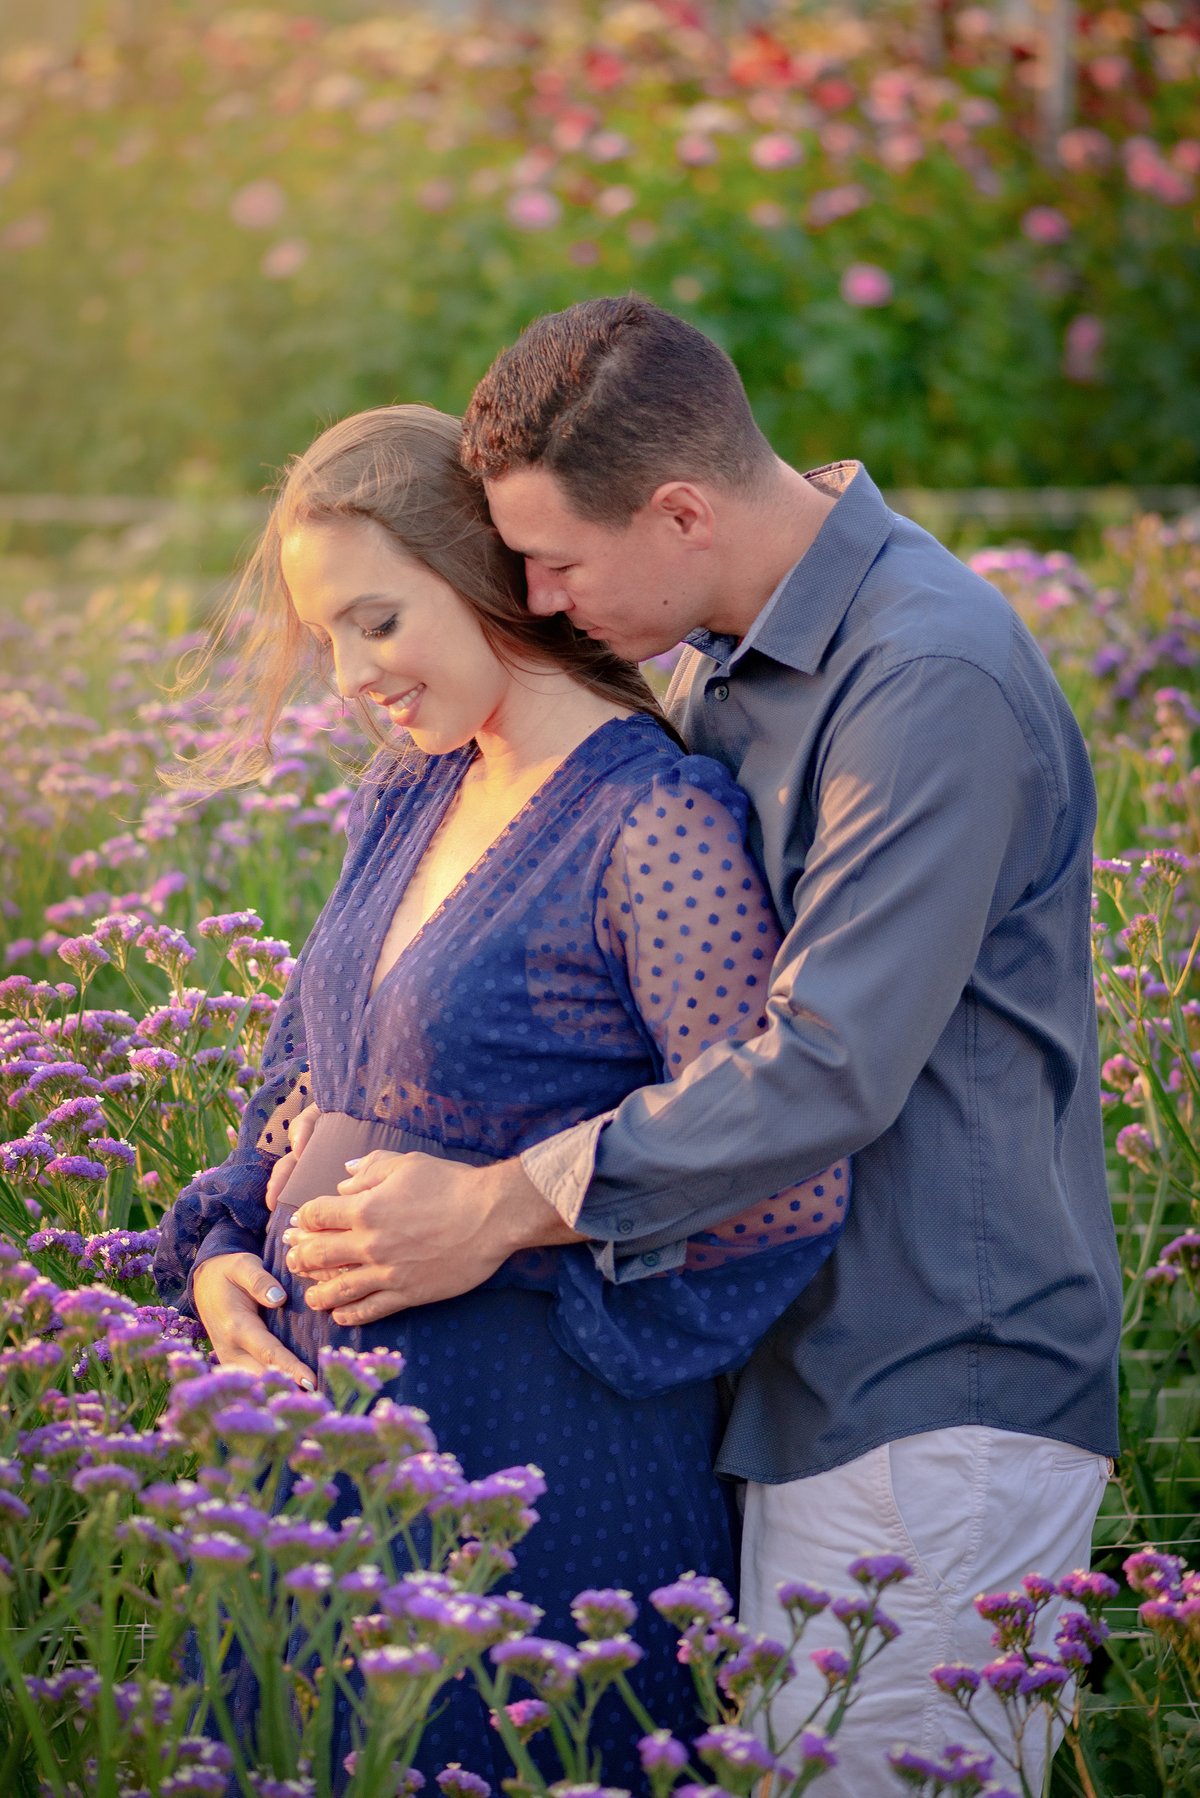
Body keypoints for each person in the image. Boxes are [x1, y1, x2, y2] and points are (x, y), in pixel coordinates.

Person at [277, 301, 1123, 1791]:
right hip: (792, 1383)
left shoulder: (924, 676)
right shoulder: (726, 662)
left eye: (553, 561)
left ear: (679, 508)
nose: (528, 593)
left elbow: (828, 1065)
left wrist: (495, 1203)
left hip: (937, 1385)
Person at [153, 402, 847, 1786]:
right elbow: (307, 1072)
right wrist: (228, 1257)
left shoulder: (658, 822)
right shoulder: (412, 790)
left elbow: (779, 1177)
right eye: (328, 638)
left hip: (544, 1468)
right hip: (320, 1458)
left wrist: (526, 1269)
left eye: (378, 621)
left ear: (485, 575)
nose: (351, 674)